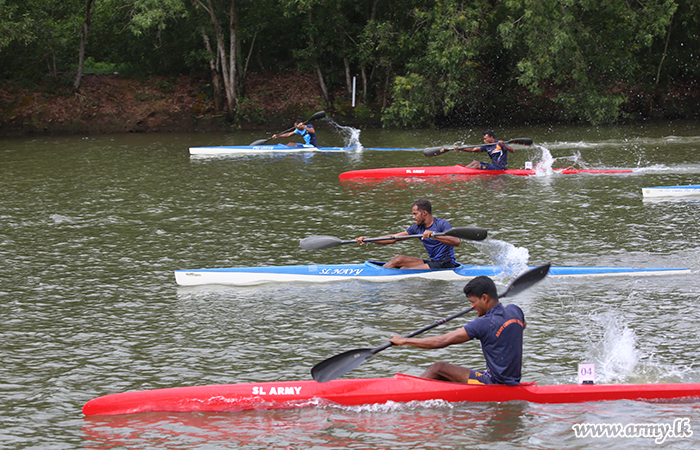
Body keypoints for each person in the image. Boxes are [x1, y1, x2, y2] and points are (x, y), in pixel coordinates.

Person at [390, 275, 525, 385]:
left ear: (485, 298)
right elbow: (522, 325)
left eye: (473, 302)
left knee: (439, 368)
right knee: (447, 374)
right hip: (511, 379)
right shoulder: (515, 311)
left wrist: (404, 341)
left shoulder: (483, 324)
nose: (472, 307)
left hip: (494, 382)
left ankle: (408, 393)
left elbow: (441, 341)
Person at [354, 198, 459, 269]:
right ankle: (375, 274)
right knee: (399, 260)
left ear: (425, 213)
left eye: (415, 214)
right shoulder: (417, 228)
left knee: (404, 269)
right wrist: (369, 240)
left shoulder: (442, 224)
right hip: (434, 262)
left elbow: (456, 241)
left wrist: (434, 235)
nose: (413, 217)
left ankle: (375, 277)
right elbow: (393, 238)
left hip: (446, 264)